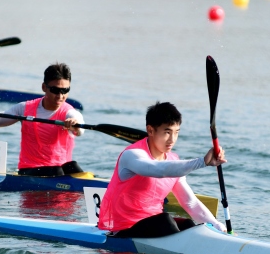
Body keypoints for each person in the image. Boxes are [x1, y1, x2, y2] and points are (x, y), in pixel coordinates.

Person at [97, 101, 226, 239]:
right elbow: (158, 170)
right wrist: (202, 162)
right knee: (165, 221)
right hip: (124, 229)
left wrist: (218, 226)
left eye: (176, 132)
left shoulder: (173, 161)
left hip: (154, 226)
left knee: (188, 225)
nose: (172, 139)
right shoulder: (132, 155)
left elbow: (190, 202)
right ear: (150, 130)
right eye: (167, 132)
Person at [0, 63, 86, 177]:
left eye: (65, 90)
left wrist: (75, 125)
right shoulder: (24, 108)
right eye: (55, 90)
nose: (60, 95)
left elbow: (79, 126)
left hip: (59, 171)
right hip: (29, 170)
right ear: (44, 87)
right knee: (57, 171)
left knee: (72, 166)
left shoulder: (69, 112)